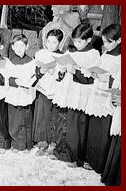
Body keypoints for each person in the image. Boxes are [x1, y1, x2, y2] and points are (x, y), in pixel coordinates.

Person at [51, 24, 101, 168]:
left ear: (89, 39)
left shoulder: (93, 54)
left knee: (76, 127)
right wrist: (61, 70)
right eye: (75, 41)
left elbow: (92, 78)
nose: (76, 44)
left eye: (80, 41)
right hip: (66, 91)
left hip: (80, 93)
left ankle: (74, 157)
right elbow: (62, 68)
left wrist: (75, 72)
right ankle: (61, 151)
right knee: (63, 121)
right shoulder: (71, 50)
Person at [87, 24, 121, 180]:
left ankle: (100, 163)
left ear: (119, 39)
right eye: (104, 42)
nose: (105, 45)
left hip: (109, 98)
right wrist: (94, 73)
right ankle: (92, 160)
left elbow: (119, 82)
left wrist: (108, 79)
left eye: (109, 42)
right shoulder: (106, 54)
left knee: (103, 132)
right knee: (94, 128)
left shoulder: (120, 58)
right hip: (98, 93)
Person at [33, 29, 65, 156]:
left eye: (54, 43)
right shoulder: (41, 53)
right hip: (43, 88)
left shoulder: (62, 56)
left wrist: (57, 73)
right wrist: (41, 70)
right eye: (49, 42)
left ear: (59, 44)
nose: (51, 45)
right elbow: (35, 72)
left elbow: (62, 76)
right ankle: (42, 143)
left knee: (54, 117)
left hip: (56, 90)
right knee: (41, 116)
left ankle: (53, 143)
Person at [5, 34, 36, 153]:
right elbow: (6, 78)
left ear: (27, 46)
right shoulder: (10, 62)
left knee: (26, 118)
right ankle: (16, 143)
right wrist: (15, 81)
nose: (19, 48)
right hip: (13, 93)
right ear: (12, 47)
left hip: (26, 93)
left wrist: (30, 82)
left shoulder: (31, 61)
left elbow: (34, 76)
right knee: (15, 119)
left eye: (21, 46)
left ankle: (27, 144)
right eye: (16, 46)